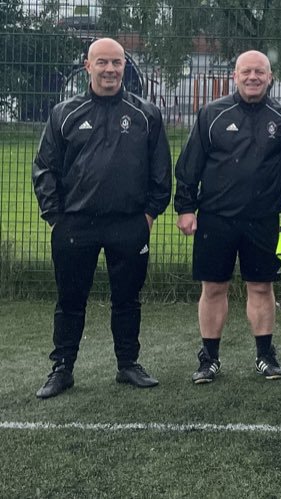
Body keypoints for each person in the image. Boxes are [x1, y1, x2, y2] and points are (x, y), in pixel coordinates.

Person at [32, 37, 170, 398]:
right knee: (70, 300)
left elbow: (161, 173)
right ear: (87, 66)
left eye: (117, 63)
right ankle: (62, 368)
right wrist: (55, 217)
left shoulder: (146, 114)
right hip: (75, 225)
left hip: (129, 225)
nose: (110, 69)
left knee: (127, 299)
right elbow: (44, 168)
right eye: (103, 62)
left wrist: (149, 217)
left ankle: (127, 364)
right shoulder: (64, 113)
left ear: (125, 66)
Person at [174, 50, 281, 384]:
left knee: (261, 287)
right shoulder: (212, 114)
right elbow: (190, 165)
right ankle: (209, 358)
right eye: (246, 71)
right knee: (213, 287)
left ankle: (265, 355)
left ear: (270, 76)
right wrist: (186, 208)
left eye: (259, 72)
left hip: (264, 220)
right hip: (215, 218)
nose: (253, 77)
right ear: (235, 75)